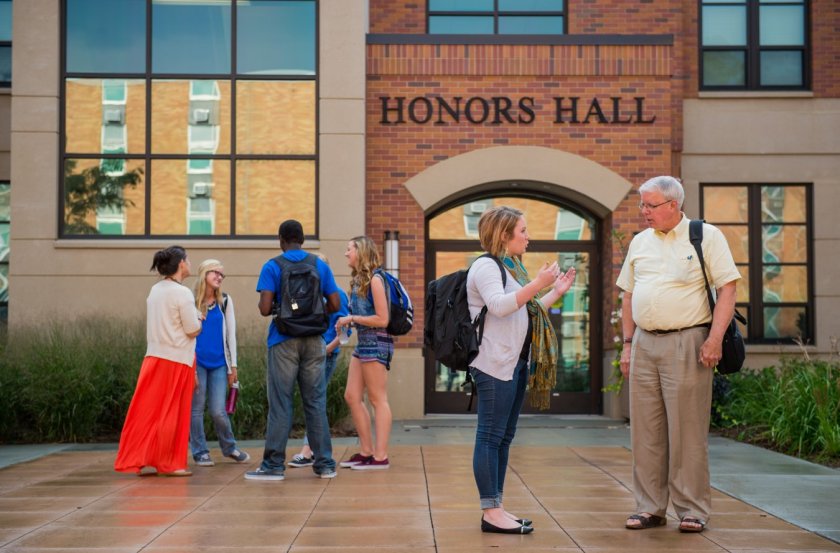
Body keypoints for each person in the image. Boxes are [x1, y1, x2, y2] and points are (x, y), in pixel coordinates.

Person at [617, 176, 740, 533]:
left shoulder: (705, 236)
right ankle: (650, 506)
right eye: (642, 205)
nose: (643, 212)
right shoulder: (640, 241)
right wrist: (627, 344)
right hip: (643, 343)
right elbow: (627, 295)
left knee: (687, 430)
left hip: (687, 341)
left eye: (650, 206)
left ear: (673, 204)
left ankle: (692, 508)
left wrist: (714, 338)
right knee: (644, 431)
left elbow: (727, 288)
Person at [466, 206, 576, 534]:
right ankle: (491, 509)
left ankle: (497, 507)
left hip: (515, 362)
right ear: (504, 235)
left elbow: (524, 310)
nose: (528, 237)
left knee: (503, 437)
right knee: (489, 436)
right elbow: (500, 307)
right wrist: (539, 283)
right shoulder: (486, 266)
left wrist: (555, 291)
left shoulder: (511, 268)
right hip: (493, 363)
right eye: (523, 231)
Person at [246, 220, 341, 481]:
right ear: (302, 239)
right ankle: (325, 465)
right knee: (315, 402)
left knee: (280, 403)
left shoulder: (272, 266)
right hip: (314, 340)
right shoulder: (319, 265)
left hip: (283, 339)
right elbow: (335, 302)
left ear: (281, 239)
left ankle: (273, 466)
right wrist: (315, 312)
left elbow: (265, 309)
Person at [114, 246, 202, 477]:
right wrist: (199, 319)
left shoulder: (155, 290)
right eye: (188, 259)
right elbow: (192, 330)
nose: (190, 263)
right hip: (177, 359)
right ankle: (171, 463)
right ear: (181, 264)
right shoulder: (182, 293)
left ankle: (138, 458)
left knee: (147, 411)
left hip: (154, 356)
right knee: (174, 412)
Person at [335, 236, 396, 471]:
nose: (346, 253)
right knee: (351, 396)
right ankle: (366, 451)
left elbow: (383, 319)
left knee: (377, 399)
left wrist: (352, 318)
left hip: (377, 342)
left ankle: (380, 457)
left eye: (349, 249)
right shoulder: (358, 281)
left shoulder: (375, 280)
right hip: (363, 343)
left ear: (361, 252)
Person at [289, 254, 350, 468]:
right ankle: (314, 449)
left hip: (325, 356)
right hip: (309, 355)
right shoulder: (309, 294)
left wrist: (326, 350)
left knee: (315, 400)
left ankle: (309, 450)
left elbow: (345, 333)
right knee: (312, 400)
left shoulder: (338, 295)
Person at [189, 259, 251, 467]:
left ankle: (229, 447)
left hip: (219, 364)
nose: (219, 277)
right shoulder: (189, 301)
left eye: (221, 274)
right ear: (203, 274)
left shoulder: (224, 301)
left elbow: (230, 335)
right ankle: (199, 451)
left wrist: (233, 366)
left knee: (218, 410)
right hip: (196, 364)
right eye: (214, 272)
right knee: (196, 410)